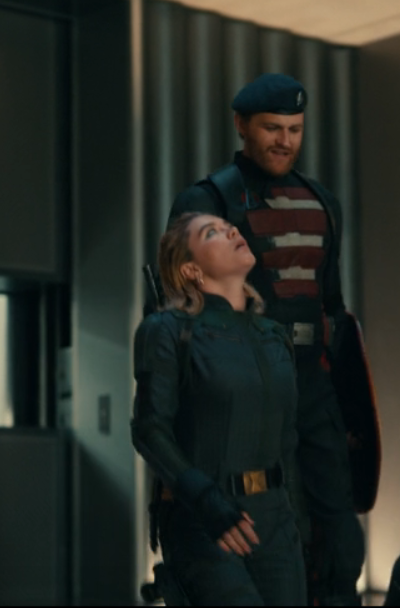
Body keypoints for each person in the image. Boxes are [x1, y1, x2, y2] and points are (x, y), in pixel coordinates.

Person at [170, 73, 366, 606]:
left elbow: (332, 307)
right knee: (270, 535)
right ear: (241, 125)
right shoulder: (208, 199)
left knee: (340, 541)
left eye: (295, 129)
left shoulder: (323, 202)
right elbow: (178, 306)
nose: (284, 140)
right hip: (246, 389)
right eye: (272, 128)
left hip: (314, 387)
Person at [132, 212, 307, 606]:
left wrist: (301, 524)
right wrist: (206, 502)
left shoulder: (274, 336)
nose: (232, 232)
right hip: (204, 519)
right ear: (190, 269)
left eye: (230, 227)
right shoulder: (167, 330)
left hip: (276, 521)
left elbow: (288, 439)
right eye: (212, 232)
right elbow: (149, 430)